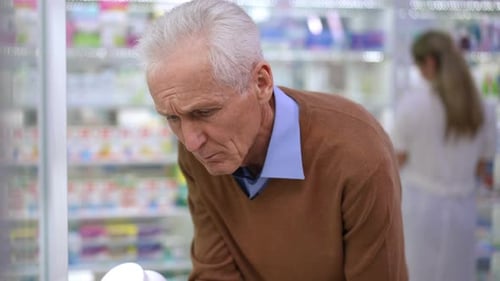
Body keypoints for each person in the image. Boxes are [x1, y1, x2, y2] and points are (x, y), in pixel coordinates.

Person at [137, 1, 408, 280]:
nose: (191, 142)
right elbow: (215, 271)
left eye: (205, 112)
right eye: (172, 118)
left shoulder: (356, 152)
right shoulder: (201, 152)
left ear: (261, 83)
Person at [391, 30, 497, 281]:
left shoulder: (413, 105)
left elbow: (396, 161)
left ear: (429, 62)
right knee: (457, 273)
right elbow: (483, 167)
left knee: (417, 272)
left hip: (419, 210)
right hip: (463, 210)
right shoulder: (482, 107)